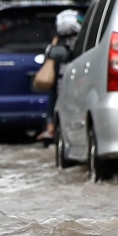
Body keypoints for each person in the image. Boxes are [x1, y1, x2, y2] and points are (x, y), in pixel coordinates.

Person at [36, 9, 83, 143]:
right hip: (76, 85)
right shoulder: (81, 41)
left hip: (60, 87)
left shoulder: (55, 45)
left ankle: (50, 128)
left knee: (53, 96)